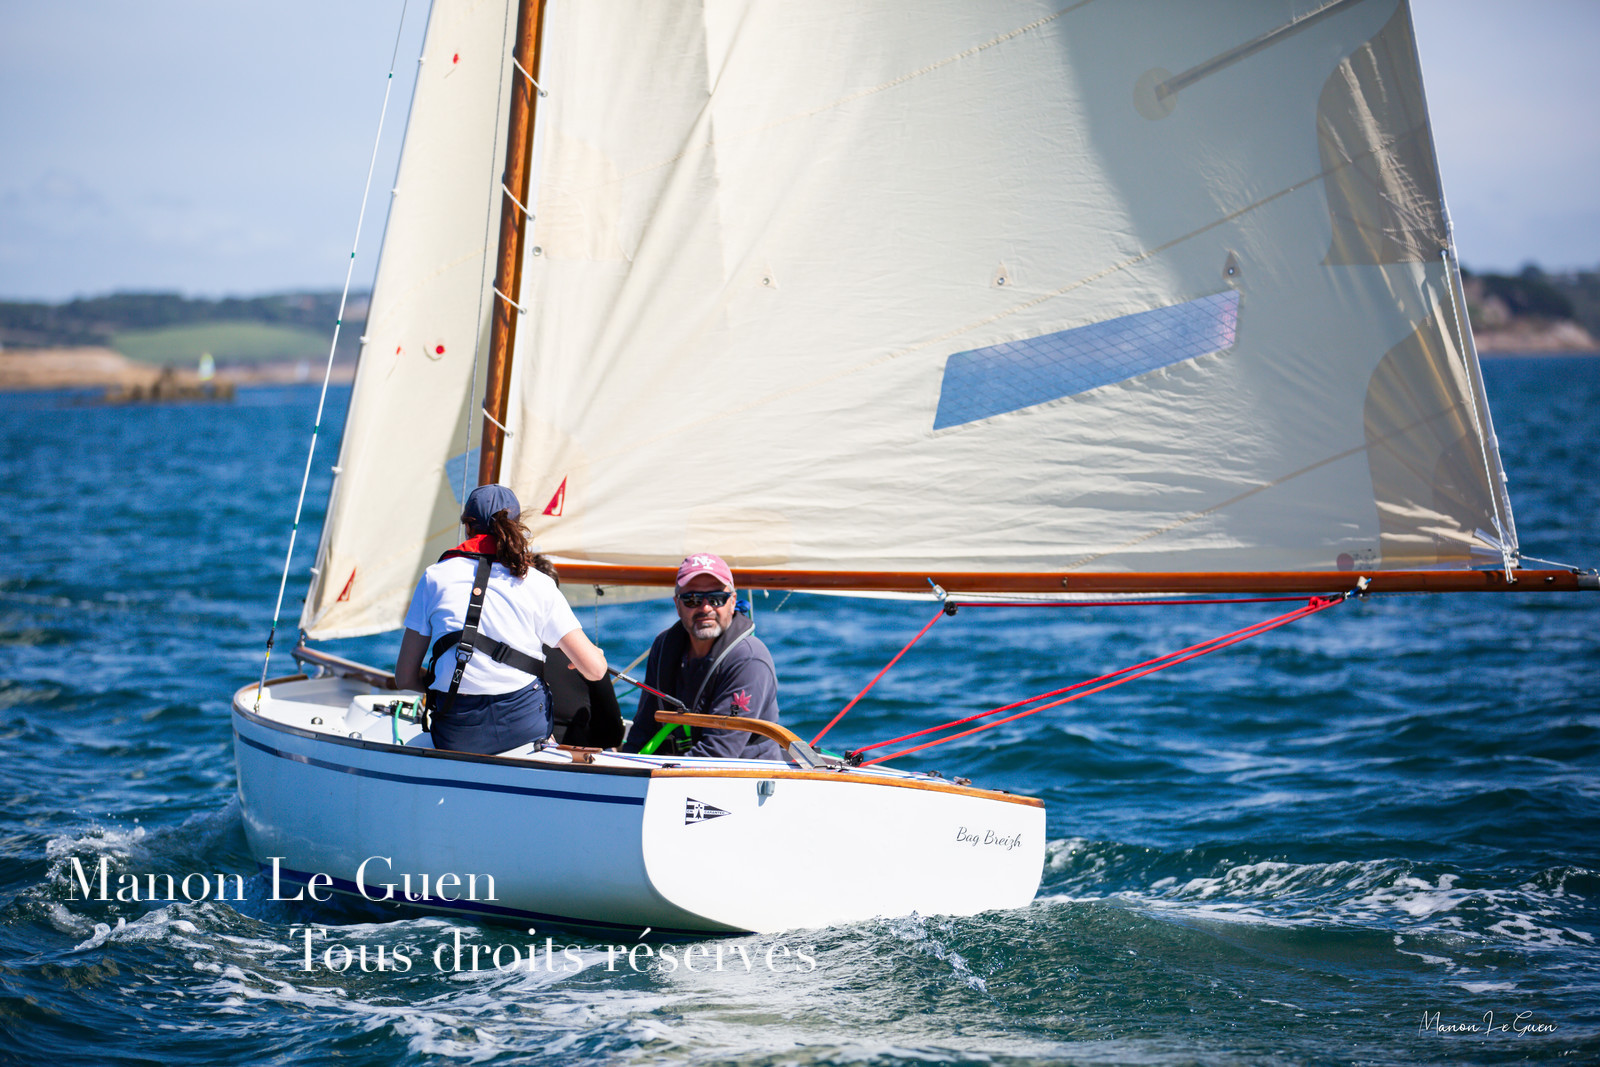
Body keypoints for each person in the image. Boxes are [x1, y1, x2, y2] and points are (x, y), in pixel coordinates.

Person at [394, 484, 606, 754]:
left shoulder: (434, 577)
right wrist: (593, 656)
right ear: (515, 526)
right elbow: (595, 671)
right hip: (524, 731)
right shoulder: (537, 583)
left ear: (467, 527)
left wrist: (444, 685)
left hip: (456, 735)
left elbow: (404, 677)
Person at [621, 552, 782, 760]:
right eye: (692, 599)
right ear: (677, 605)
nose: (705, 608)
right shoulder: (663, 647)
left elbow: (719, 752)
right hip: (678, 767)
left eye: (717, 599)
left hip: (740, 775)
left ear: (733, 602)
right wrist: (626, 764)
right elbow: (643, 730)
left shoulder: (749, 660)